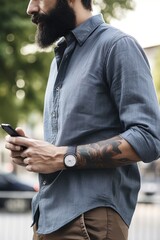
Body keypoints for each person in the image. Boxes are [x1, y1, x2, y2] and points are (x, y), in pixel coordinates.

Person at [5, 0, 160, 239]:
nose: (30, 8)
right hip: (46, 218)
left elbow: (149, 138)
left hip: (88, 222)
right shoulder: (59, 61)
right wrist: (35, 152)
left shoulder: (117, 46)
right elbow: (65, 147)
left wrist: (61, 156)